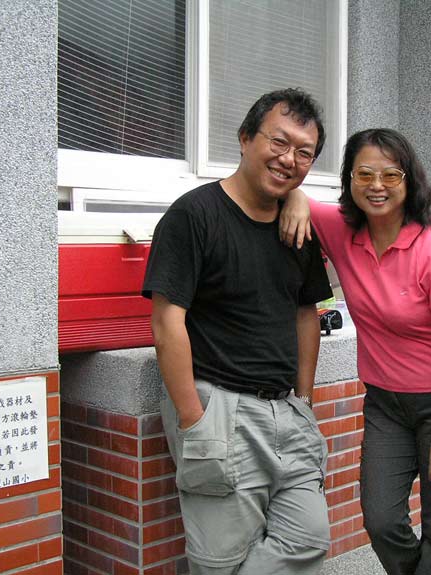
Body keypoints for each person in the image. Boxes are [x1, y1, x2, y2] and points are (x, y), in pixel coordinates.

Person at [142, 88, 333, 574]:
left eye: (305, 152)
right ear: (246, 138)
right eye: (279, 142)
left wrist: (304, 400)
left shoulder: (297, 227)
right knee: (220, 561)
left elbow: (306, 312)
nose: (289, 159)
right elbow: (167, 322)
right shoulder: (193, 215)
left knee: (308, 539)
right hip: (219, 409)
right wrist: (193, 418)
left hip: (287, 411)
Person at [280, 128, 431, 574]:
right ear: (349, 179)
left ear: (410, 180)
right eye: (364, 174)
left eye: (391, 175)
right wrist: (296, 198)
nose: (377, 185)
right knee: (381, 520)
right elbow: (295, 196)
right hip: (386, 404)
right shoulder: (342, 230)